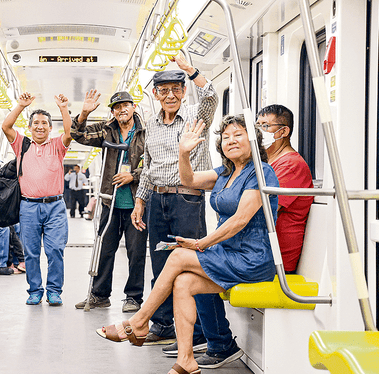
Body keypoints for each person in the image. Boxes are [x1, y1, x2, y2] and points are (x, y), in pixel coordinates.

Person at [98, 115, 279, 374]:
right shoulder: (225, 173)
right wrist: (183, 152)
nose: (231, 140)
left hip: (253, 258)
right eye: (225, 137)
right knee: (183, 283)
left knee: (180, 256)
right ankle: (186, 360)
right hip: (229, 255)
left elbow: (240, 220)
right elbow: (188, 180)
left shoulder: (262, 172)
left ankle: (138, 322)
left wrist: (201, 243)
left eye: (238, 135)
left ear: (253, 139)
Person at [129, 52, 220, 346]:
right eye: (164, 90)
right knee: (160, 262)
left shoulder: (196, 115)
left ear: (183, 92)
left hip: (187, 200)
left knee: (191, 264)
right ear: (155, 94)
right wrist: (141, 200)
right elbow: (147, 164)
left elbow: (212, 95)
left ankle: (201, 332)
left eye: (176, 89)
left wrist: (189, 69)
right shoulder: (151, 126)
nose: (170, 95)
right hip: (158, 200)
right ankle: (165, 324)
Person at [71, 90, 147, 313]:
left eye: (126, 105)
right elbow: (79, 135)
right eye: (116, 107)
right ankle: (99, 295)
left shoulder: (146, 132)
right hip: (109, 202)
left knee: (136, 253)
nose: (122, 110)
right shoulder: (106, 130)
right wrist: (84, 112)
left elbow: (153, 162)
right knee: (104, 250)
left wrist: (134, 175)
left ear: (133, 107)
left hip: (137, 203)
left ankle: (133, 297)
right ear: (112, 111)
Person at [1, 91, 72, 306]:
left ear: (50, 128)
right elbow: (6, 126)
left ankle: (53, 290)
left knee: (55, 251)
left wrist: (63, 109)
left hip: (55, 207)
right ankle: (34, 290)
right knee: (31, 253)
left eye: (44, 123)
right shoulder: (22, 144)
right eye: (36, 123)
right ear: (30, 127)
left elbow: (70, 132)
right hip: (29, 207)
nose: (40, 126)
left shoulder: (58, 146)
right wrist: (20, 106)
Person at [257, 104, 314, 273]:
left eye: (265, 126)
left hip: (275, 259)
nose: (259, 131)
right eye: (257, 126)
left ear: (283, 132)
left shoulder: (291, 165)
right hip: (260, 250)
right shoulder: (268, 163)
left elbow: (262, 211)